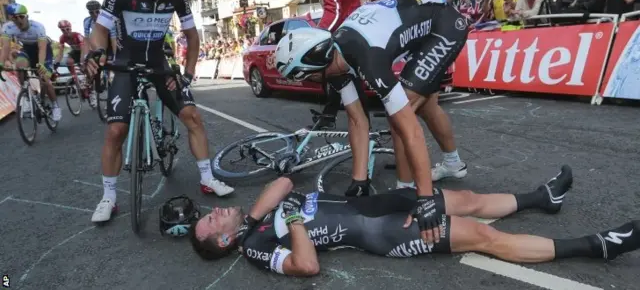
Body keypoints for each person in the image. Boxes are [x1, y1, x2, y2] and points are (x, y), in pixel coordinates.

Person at [274, 0, 470, 243]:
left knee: (402, 113)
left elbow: (410, 129)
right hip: (421, 21)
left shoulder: (367, 57)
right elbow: (357, 119)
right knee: (425, 104)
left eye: (304, 78)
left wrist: (426, 199)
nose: (308, 82)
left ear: (311, 70)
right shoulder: (336, 61)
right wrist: (359, 180)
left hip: (444, 26)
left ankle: (407, 189)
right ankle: (453, 163)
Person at [189, 166, 640, 276]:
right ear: (224, 242)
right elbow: (307, 267)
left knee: (466, 198)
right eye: (211, 223)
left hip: (379, 203)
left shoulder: (252, 223)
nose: (214, 213)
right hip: (378, 231)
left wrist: (253, 215)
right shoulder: (255, 248)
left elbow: (285, 182)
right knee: (483, 237)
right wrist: (293, 223)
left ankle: (543, 197)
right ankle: (598, 245)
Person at [84, 0, 234, 223]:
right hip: (126, 63)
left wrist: (187, 75)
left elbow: (192, 36)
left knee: (192, 116)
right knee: (116, 131)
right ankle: (109, 196)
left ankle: (207, 178)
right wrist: (99, 51)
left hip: (159, 64)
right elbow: (100, 29)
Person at [307, 0, 383, 132]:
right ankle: (329, 116)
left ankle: (365, 131)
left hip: (344, 35)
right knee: (340, 77)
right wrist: (387, 4)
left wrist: (317, 36)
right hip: (359, 30)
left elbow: (334, 11)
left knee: (346, 79)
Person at [0, 3, 62, 121]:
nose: (18, 20)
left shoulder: (38, 27)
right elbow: (5, 47)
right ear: (10, 18)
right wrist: (1, 63)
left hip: (43, 50)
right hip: (27, 49)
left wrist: (41, 64)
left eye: (21, 16)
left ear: (27, 16)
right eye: (14, 17)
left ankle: (55, 106)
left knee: (45, 79)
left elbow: (42, 48)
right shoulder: (8, 27)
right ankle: (26, 94)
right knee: (20, 65)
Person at [57, 20, 96, 107]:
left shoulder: (77, 35)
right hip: (75, 51)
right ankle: (76, 81)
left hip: (85, 50)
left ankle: (92, 92)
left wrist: (82, 62)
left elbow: (83, 50)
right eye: (63, 30)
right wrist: (56, 63)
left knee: (87, 72)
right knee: (68, 61)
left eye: (67, 29)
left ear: (70, 28)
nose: (66, 31)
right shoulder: (62, 38)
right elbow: (60, 53)